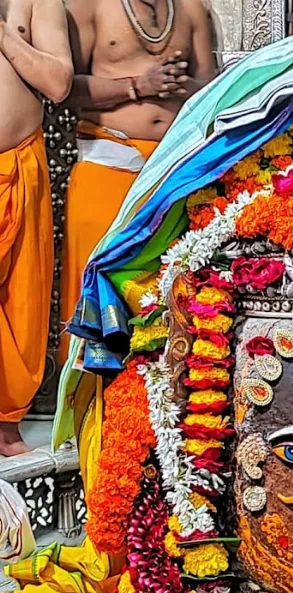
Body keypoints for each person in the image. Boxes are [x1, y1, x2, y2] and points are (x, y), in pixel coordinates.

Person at [60, 0, 215, 363]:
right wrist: (138, 85)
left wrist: (185, 86)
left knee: (168, 297)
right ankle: (88, 410)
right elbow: (67, 90)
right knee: (96, 295)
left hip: (173, 174)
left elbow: (213, 85)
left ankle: (157, 406)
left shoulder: (191, 8)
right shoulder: (90, 6)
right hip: (108, 165)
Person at [0, 0, 73, 456]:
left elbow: (59, 82)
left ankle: (5, 424)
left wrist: (5, 35)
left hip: (19, 163)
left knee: (20, 298)